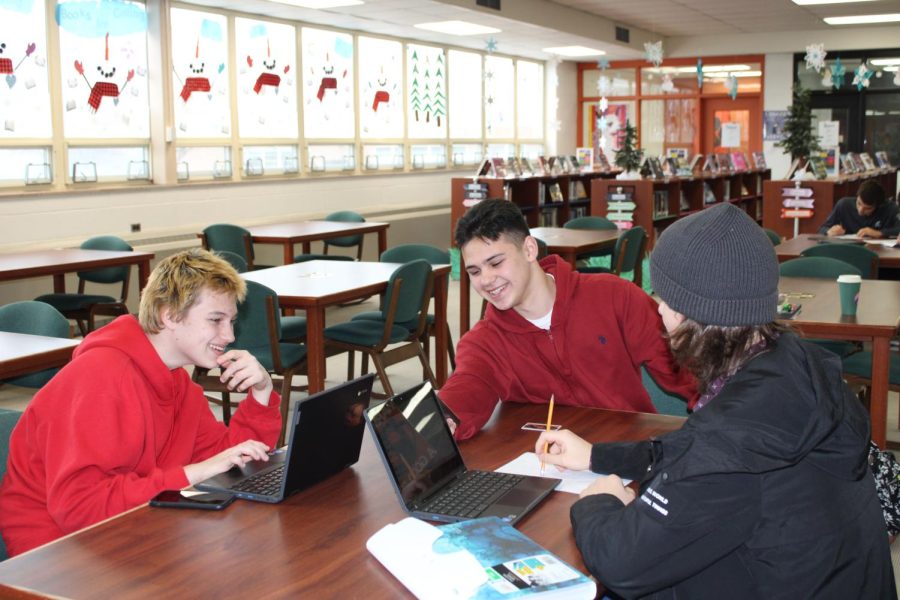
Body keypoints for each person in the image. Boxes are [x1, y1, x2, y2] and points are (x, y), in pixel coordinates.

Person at [536, 203, 895, 598]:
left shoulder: (735, 438)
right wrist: (598, 457)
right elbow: (697, 448)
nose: (658, 308)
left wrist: (598, 502)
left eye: (665, 297)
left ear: (696, 313)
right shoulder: (794, 363)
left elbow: (621, 560)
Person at [0, 249, 282, 557]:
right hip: (53, 548)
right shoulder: (101, 377)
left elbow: (231, 459)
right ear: (169, 315)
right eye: (216, 320)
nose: (229, 335)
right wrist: (192, 473)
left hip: (132, 520)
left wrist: (261, 392)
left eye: (231, 321)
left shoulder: (177, 382)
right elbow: (80, 508)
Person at [440, 199, 696, 441]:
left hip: (628, 451)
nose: (485, 280)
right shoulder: (485, 341)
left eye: (495, 263)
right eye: (474, 271)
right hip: (549, 462)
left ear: (529, 249)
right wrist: (445, 418)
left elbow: (687, 367)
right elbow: (469, 385)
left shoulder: (615, 296)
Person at [819, 179, 900, 239]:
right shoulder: (844, 205)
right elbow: (822, 228)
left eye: (867, 208)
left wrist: (879, 233)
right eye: (859, 203)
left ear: (878, 206)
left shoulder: (891, 209)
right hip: (849, 248)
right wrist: (829, 231)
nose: (860, 210)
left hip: (879, 251)